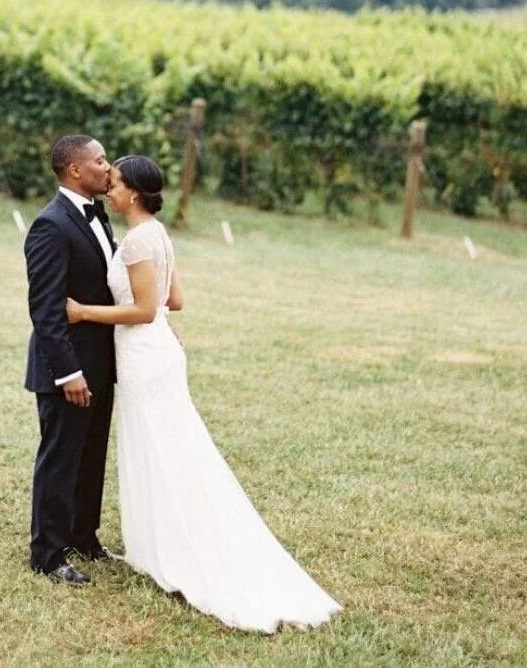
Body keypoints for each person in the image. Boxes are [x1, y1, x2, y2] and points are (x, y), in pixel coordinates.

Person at [67, 155, 342, 632]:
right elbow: (176, 302)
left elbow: (148, 309)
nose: (107, 190)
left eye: (112, 184)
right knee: (169, 448)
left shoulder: (136, 242)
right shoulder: (158, 234)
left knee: (160, 450)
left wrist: (83, 312)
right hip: (157, 356)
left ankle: (176, 546)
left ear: (132, 193)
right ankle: (162, 541)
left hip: (145, 359)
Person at [23, 135, 118, 585]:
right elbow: (46, 309)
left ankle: (84, 535)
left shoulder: (98, 217)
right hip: (68, 369)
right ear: (75, 171)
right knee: (61, 458)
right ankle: (47, 553)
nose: (108, 166)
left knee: (91, 454)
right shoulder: (51, 225)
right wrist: (69, 372)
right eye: (100, 160)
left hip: (102, 363)